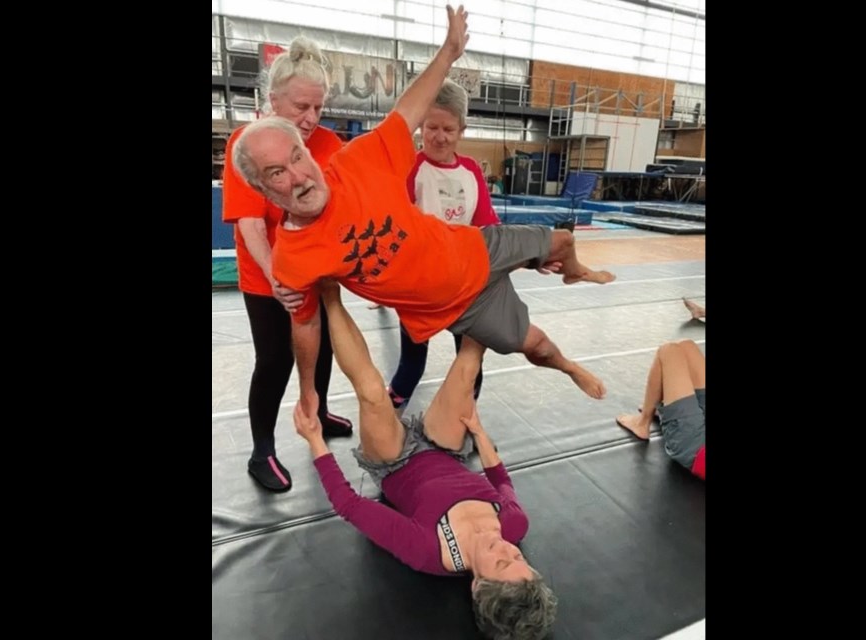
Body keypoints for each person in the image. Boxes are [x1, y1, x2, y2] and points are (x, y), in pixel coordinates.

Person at [231, 5, 616, 427]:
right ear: (263, 189)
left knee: (561, 240)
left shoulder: (356, 160)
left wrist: (449, 52)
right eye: (277, 174)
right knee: (537, 346)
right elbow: (305, 329)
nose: (299, 176)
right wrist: (308, 392)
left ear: (308, 150)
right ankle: (568, 366)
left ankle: (574, 270)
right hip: (451, 303)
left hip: (477, 247)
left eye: (297, 158)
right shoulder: (295, 259)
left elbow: (407, 110)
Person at [294, 279, 558, 639]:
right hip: (445, 448)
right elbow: (502, 482)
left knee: (373, 393)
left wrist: (314, 441)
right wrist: (480, 435)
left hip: (395, 461)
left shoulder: (428, 552)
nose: (508, 549)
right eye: (519, 558)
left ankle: (328, 292)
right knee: (467, 368)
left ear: (477, 586)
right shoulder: (514, 526)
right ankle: (484, 281)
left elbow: (349, 505)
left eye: (500, 562)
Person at [221, 33, 352, 492]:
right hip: (266, 277)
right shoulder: (246, 142)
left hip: (318, 274)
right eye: (300, 107)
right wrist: (279, 277)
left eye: (317, 108)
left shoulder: (330, 144)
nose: (310, 118)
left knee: (324, 352)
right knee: (274, 359)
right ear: (272, 99)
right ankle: (263, 448)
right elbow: (251, 224)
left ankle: (315, 409)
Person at [386, 78, 501, 414]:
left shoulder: (471, 172)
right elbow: (397, 225)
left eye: (448, 129)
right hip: (420, 286)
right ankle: (389, 422)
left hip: (463, 284)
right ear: (420, 125)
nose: (439, 136)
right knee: (412, 362)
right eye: (431, 127)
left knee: (469, 357)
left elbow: (487, 226)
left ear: (461, 130)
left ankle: (465, 418)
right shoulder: (412, 168)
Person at [615, 340, 705, 480]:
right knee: (687, 347)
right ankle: (668, 406)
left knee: (668, 351)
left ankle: (642, 423)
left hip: (697, 446)